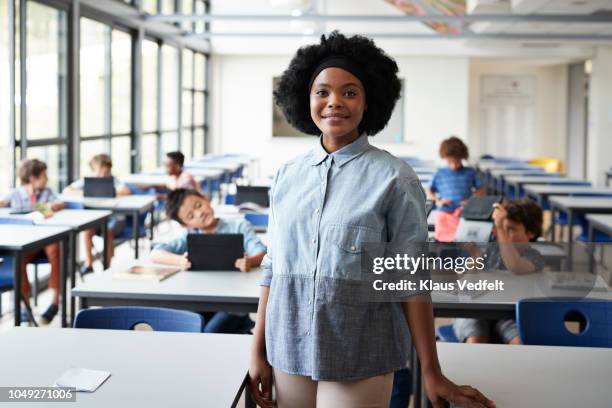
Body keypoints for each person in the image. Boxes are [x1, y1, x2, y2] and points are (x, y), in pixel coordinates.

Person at [248, 32, 494, 408]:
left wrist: (430, 369)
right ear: (306, 98)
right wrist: (258, 350)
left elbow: (411, 279)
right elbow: (273, 268)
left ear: (367, 103)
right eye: (322, 92)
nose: (334, 102)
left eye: (349, 92)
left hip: (360, 348)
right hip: (287, 343)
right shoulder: (286, 176)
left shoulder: (395, 178)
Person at [150, 188, 266, 333]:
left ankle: (241, 325)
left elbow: (261, 253)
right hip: (202, 300)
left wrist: (250, 261)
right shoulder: (190, 236)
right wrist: (179, 261)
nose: (199, 214)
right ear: (186, 225)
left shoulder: (239, 226)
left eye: (198, 205)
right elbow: (155, 253)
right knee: (189, 328)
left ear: (205, 198)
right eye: (191, 216)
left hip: (233, 303)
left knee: (210, 331)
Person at [454, 199, 545, 344]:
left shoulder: (534, 256)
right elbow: (465, 287)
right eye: (502, 228)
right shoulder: (490, 251)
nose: (503, 234)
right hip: (475, 313)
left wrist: (500, 227)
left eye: (511, 229)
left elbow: (514, 265)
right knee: (476, 338)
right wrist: (475, 259)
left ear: (531, 233)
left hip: (510, 315)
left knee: (519, 342)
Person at [0, 159, 65, 324]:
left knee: (55, 247)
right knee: (17, 258)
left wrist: (43, 207)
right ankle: (25, 305)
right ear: (32, 178)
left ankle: (54, 301)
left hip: (46, 240)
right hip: (26, 241)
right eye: (43, 176)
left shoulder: (47, 192)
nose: (47, 179)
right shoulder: (15, 193)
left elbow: (59, 204)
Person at [63, 154, 130, 274]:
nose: (103, 175)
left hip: (113, 220)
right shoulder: (88, 181)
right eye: (99, 172)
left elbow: (126, 190)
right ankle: (89, 263)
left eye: (106, 172)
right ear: (94, 170)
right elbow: (67, 190)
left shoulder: (113, 181)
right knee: (87, 230)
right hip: (96, 220)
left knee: (108, 231)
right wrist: (87, 192)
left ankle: (107, 267)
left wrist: (108, 192)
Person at [427, 136, 484, 242]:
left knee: (464, 236)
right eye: (450, 162)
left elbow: (480, 189)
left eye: (457, 162)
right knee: (441, 221)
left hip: (463, 211)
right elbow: (428, 190)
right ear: (445, 158)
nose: (454, 166)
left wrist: (472, 201)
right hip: (445, 211)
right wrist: (438, 201)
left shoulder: (470, 172)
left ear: (462, 157)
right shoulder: (440, 173)